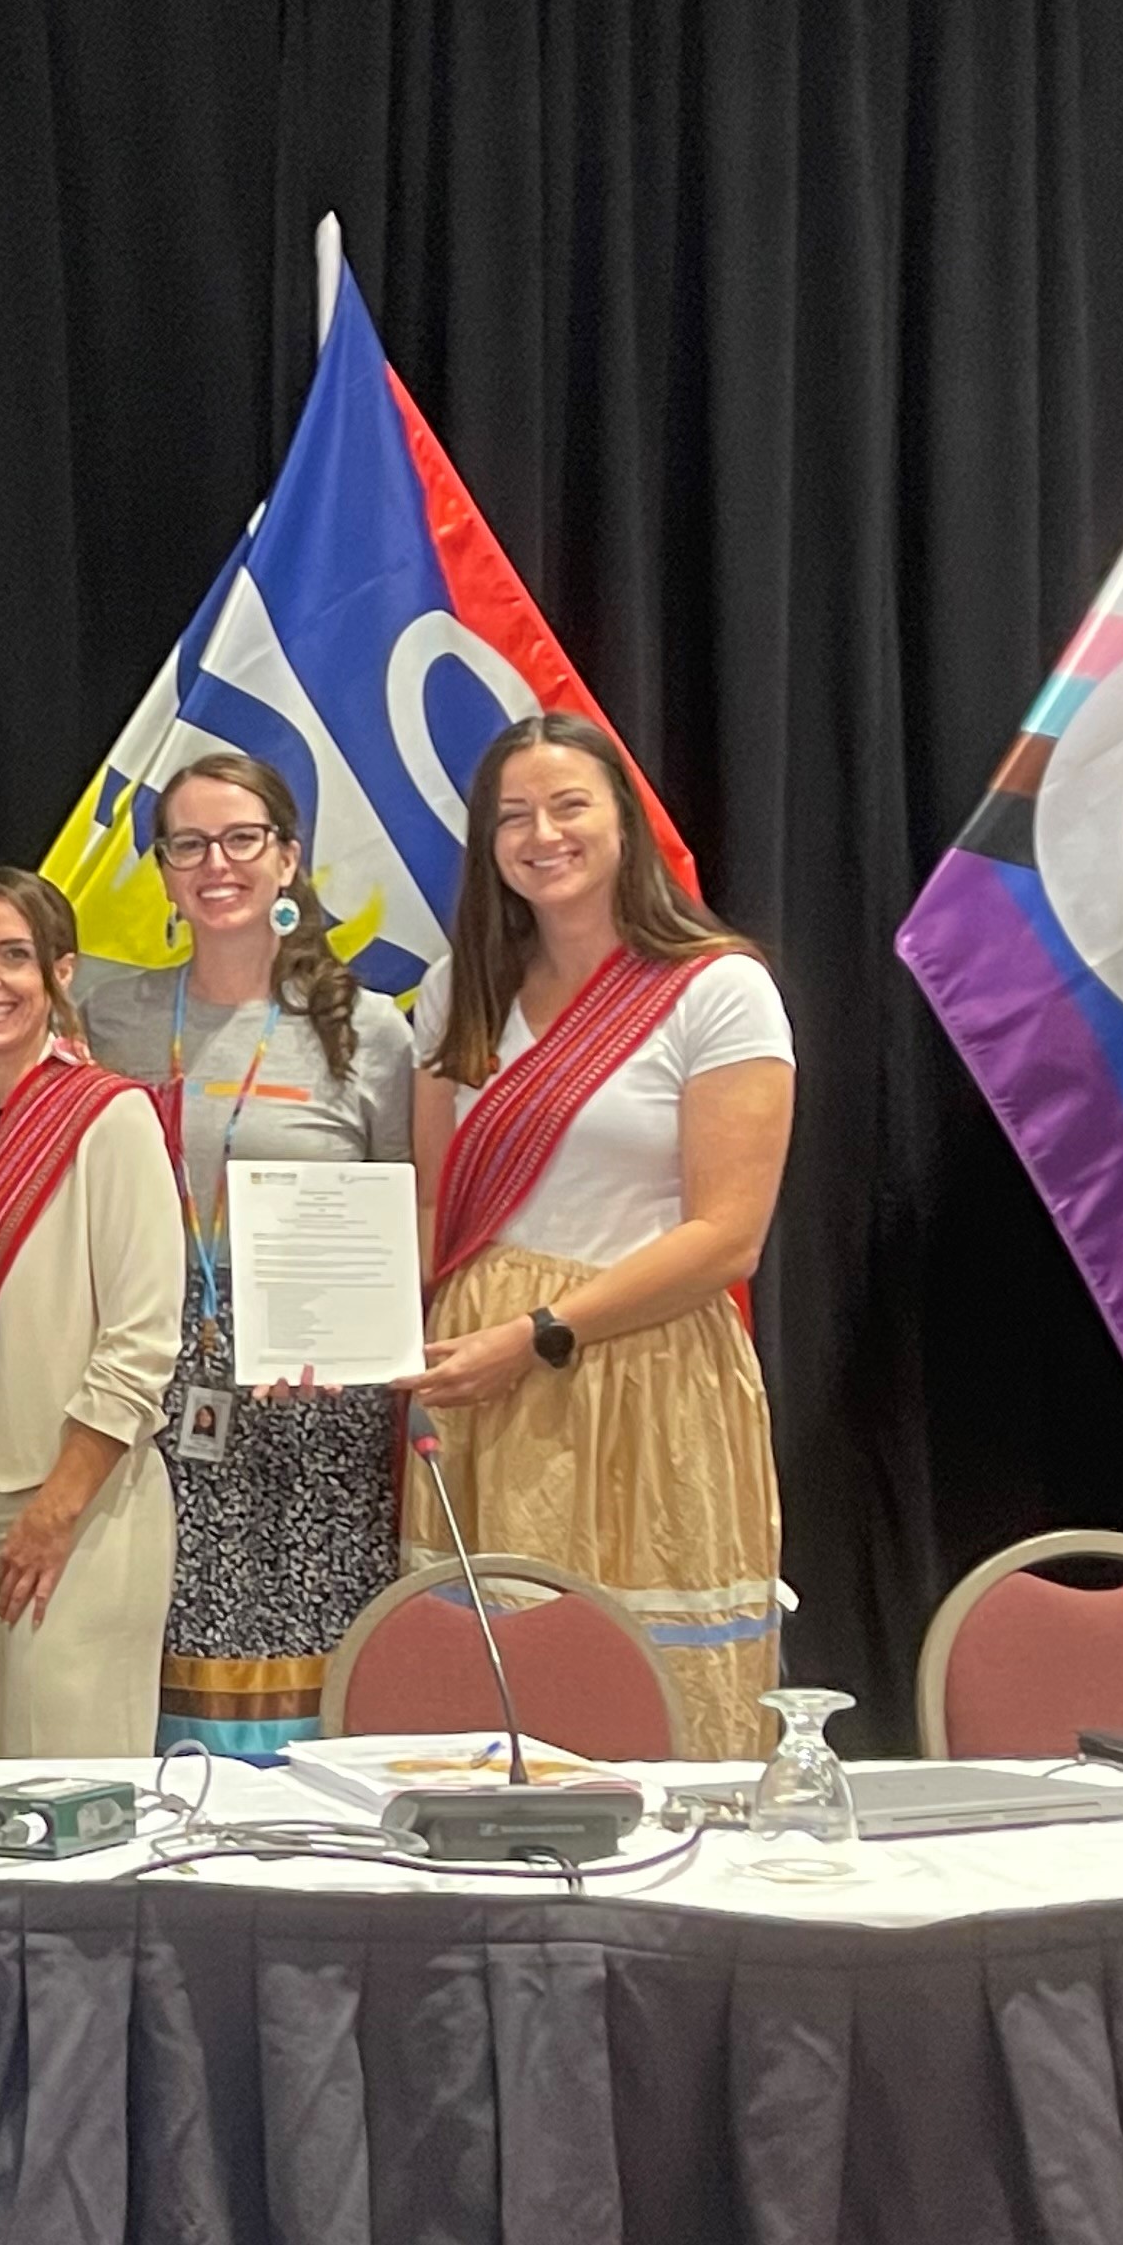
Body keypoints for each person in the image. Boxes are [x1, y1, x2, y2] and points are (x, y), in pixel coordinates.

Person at [409, 711, 793, 1755]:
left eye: (569, 804)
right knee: (490, 1699)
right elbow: (435, 1214)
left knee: (647, 1695)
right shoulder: (458, 994)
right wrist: (341, 1336)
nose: (543, 834)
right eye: (513, 815)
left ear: (624, 819)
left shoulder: (716, 990)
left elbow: (726, 1238)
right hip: (476, 1379)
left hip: (638, 1371)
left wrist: (536, 1335)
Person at [76, 752, 419, 1756]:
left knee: (316, 1687)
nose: (215, 863)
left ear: (287, 859)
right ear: (163, 869)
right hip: (151, 1399)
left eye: (241, 839)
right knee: (155, 1654)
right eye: (187, 843)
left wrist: (364, 1343)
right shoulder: (110, 1020)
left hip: (315, 1400)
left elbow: (402, 1224)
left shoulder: (367, 1029)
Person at [0, 870, 185, 1760]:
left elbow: (141, 1341)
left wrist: (56, 1513)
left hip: (79, 1509)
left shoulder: (111, 1118)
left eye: (14, 956)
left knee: (67, 1792)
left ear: (61, 972)